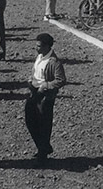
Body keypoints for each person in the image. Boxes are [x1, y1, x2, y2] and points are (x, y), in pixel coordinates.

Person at [25, 32, 66, 165]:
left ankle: (42, 153)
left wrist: (45, 86)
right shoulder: (40, 57)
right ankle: (44, 147)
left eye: (39, 46)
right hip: (34, 92)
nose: (36, 48)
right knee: (30, 120)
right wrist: (31, 79)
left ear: (47, 46)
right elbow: (36, 71)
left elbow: (60, 80)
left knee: (43, 124)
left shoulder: (54, 62)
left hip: (45, 96)